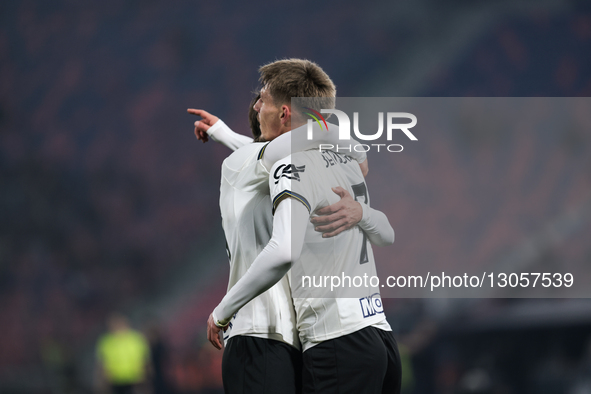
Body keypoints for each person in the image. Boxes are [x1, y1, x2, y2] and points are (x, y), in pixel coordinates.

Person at [208, 59, 402, 393]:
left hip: (315, 338)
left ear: (283, 113)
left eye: (263, 101)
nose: (257, 106)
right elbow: (387, 231)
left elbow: (283, 249)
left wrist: (221, 312)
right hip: (374, 334)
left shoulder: (285, 166)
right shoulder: (343, 164)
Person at [95, 313, 151, 394]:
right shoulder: (106, 342)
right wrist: (102, 379)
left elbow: (144, 358)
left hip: (135, 378)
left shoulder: (136, 338)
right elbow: (102, 362)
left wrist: (146, 376)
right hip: (115, 380)